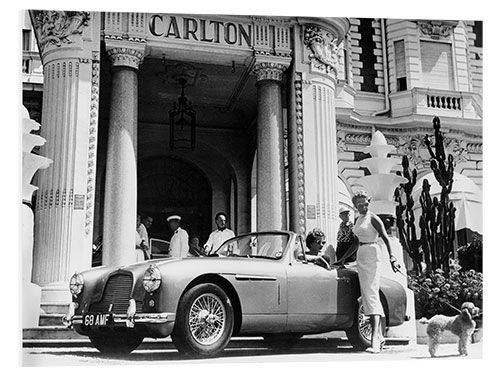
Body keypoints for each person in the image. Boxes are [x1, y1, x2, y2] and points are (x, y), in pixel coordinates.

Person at [351, 191, 400, 353]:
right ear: (355, 206)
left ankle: (375, 340)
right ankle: (379, 335)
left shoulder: (373, 218)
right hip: (361, 254)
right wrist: (343, 259)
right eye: (360, 205)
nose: (364, 207)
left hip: (372, 253)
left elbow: (385, 237)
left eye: (366, 204)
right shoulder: (358, 219)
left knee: (371, 293)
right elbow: (355, 241)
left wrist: (392, 257)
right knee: (367, 294)